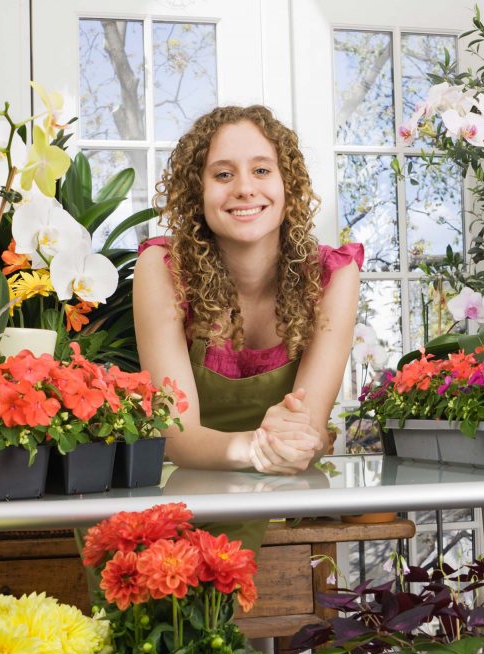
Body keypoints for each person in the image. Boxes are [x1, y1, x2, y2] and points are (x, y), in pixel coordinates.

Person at [134, 105, 362, 485]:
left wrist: (304, 441)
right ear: (197, 193)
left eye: (261, 170)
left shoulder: (333, 276)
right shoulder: (162, 268)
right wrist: (259, 446)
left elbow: (309, 430)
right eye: (223, 174)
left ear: (287, 184)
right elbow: (175, 437)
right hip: (187, 495)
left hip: (290, 492)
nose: (244, 188)